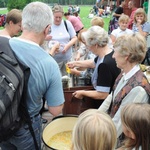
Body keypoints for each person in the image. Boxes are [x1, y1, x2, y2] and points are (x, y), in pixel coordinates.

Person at [0, 2, 65, 150]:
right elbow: (55, 110)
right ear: (47, 28)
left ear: (22, 24)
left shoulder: (2, 44)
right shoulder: (50, 64)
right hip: (27, 127)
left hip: (3, 119)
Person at [98, 33, 150, 148]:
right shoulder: (124, 73)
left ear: (126, 56)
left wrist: (100, 141)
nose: (113, 56)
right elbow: (111, 97)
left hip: (124, 142)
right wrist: (95, 116)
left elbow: (120, 123)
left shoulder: (138, 89)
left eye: (115, 52)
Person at [67, 26, 120, 108]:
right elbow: (93, 63)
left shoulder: (105, 65)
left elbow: (102, 94)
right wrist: (75, 63)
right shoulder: (108, 53)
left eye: (88, 45)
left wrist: (82, 92)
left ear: (95, 45)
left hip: (105, 105)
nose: (88, 48)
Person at [50, 5, 77, 76]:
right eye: (56, 17)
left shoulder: (67, 24)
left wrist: (68, 46)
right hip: (54, 60)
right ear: (52, 15)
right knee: (56, 79)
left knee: (67, 77)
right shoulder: (48, 25)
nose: (58, 19)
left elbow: (74, 38)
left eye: (60, 17)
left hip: (67, 59)